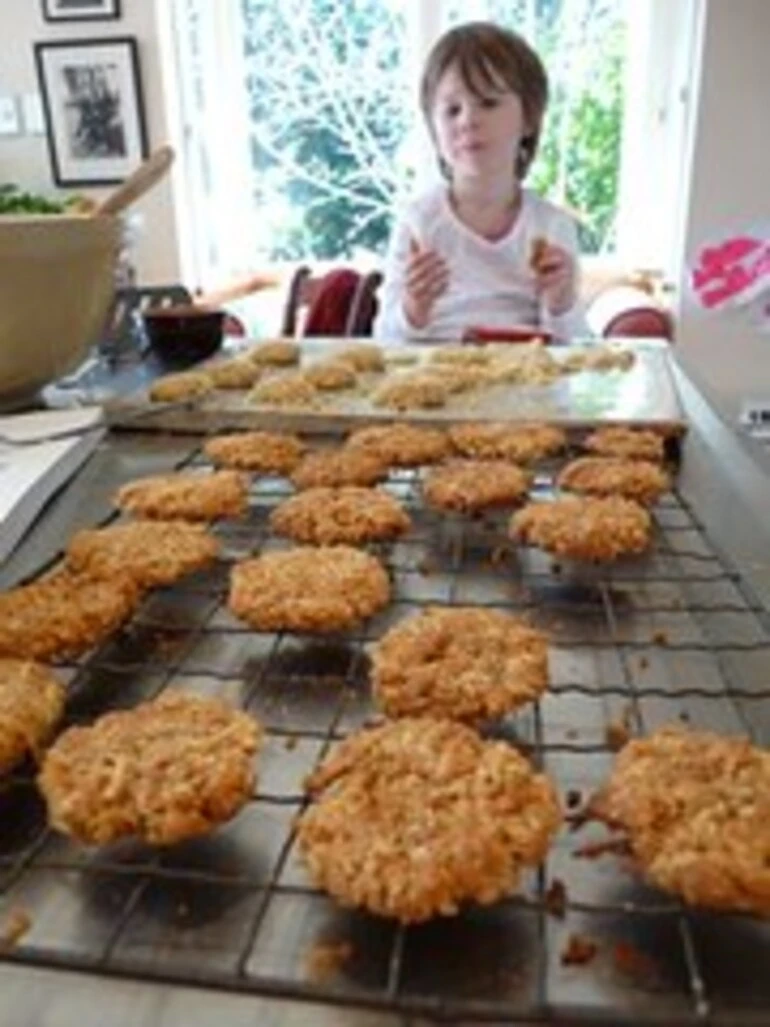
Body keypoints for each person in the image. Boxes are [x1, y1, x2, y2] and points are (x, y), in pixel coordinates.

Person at [373, 21, 587, 343]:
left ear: (529, 117)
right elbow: (384, 342)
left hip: (526, 382)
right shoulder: (418, 221)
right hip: (437, 381)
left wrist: (561, 304)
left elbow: (572, 350)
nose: (469, 120)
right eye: (452, 110)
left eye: (488, 103)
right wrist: (412, 310)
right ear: (433, 127)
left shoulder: (552, 227)